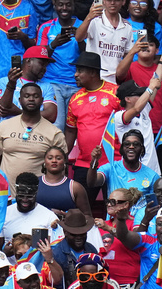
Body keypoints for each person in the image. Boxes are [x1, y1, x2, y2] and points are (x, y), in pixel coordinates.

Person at [0, 82, 67, 187]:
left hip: (39, 195)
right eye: (27, 96)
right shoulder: (4, 126)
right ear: (20, 100)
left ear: (41, 101)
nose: (31, 99)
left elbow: (60, 168)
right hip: (5, 193)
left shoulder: (54, 133)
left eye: (36, 96)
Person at [65, 51, 120, 189]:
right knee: (80, 206)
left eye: (80, 71)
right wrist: (63, 155)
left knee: (115, 205)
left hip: (114, 161)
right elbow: (71, 131)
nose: (75, 74)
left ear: (93, 73)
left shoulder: (115, 93)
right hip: (85, 163)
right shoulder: (74, 99)